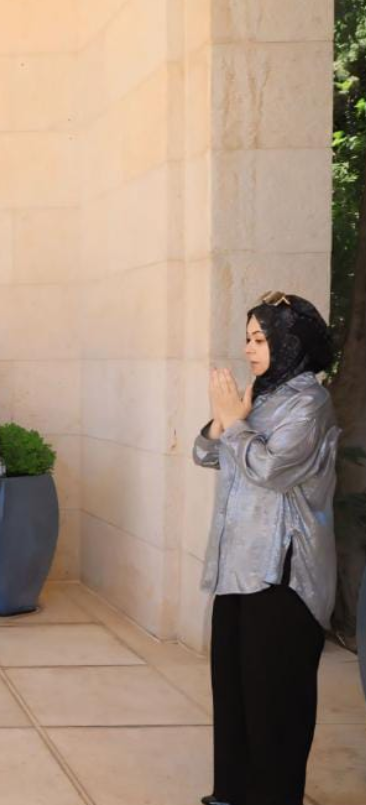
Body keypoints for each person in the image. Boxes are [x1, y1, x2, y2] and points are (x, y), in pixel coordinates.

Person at [194, 292, 338, 805]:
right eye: (247, 338)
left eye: (260, 338)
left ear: (289, 342)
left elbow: (272, 469)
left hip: (283, 576)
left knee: (275, 700)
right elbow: (205, 454)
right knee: (234, 689)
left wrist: (234, 423)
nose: (248, 349)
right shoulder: (262, 393)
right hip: (237, 566)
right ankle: (232, 791)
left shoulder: (309, 403)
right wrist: (223, 421)